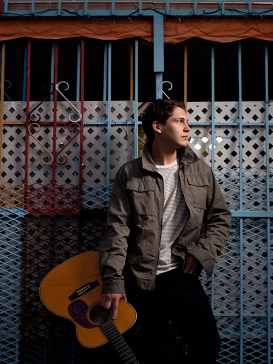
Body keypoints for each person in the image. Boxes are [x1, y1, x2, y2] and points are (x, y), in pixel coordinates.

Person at [98, 99, 231, 363]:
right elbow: (117, 230)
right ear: (157, 126)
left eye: (187, 122)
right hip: (139, 280)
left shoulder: (200, 170)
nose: (188, 128)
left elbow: (219, 217)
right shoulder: (130, 173)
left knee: (208, 345)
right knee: (151, 355)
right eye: (180, 121)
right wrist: (113, 280)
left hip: (182, 274)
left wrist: (203, 253)